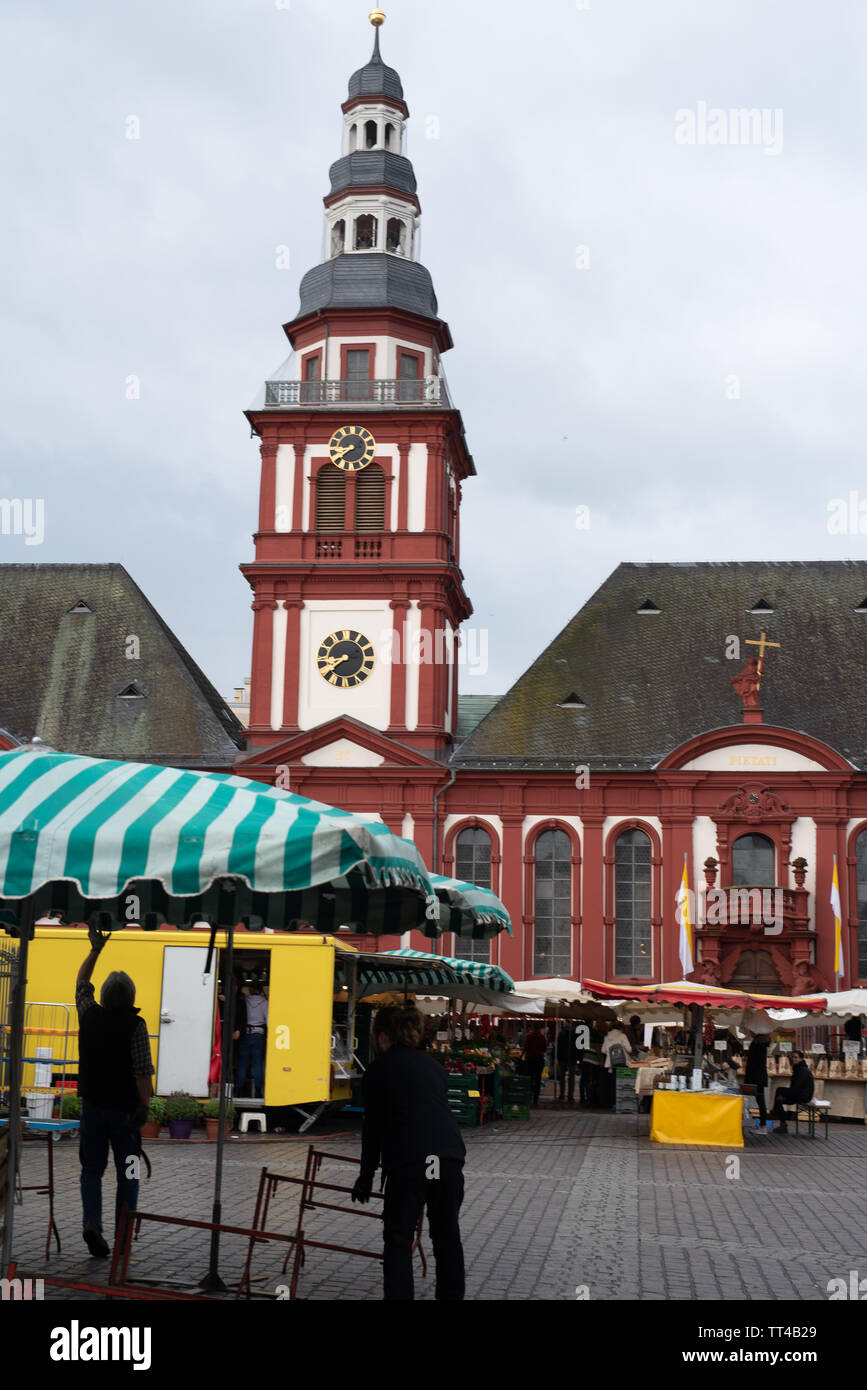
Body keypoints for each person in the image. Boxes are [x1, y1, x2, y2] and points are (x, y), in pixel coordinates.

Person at [351, 1006, 466, 1300]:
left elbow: (373, 1130)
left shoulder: (378, 1070)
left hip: (410, 1160)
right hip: (447, 1156)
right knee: (446, 1237)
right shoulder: (434, 1067)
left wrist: (365, 1177)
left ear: (383, 1036)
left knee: (399, 1240)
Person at [75, 923, 154, 1258]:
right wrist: (144, 1108)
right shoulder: (136, 1026)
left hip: (92, 1109)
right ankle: (123, 1236)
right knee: (130, 1173)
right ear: (131, 997)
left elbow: (81, 984)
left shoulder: (89, 1015)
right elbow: (141, 1072)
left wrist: (95, 950)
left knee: (91, 1171)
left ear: (104, 997)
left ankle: (92, 1222)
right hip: (125, 1115)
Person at [770, 1049, 814, 1133]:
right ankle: (782, 1123)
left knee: (779, 1091)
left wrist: (785, 1094)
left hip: (803, 1096)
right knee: (779, 1098)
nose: (794, 1059)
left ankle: (776, 1114)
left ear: (801, 1058)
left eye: (796, 1057)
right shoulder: (798, 1068)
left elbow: (796, 1087)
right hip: (799, 1094)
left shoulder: (802, 1070)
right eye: (792, 1057)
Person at [237, 981, 268, 1098]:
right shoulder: (265, 1003)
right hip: (258, 1035)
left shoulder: (244, 1001)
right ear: (260, 991)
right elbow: (268, 1021)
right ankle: (258, 1091)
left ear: (249, 990)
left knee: (243, 1063)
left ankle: (239, 1090)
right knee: (257, 1063)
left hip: (245, 1033)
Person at [744, 1034, 770, 1130]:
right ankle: (762, 1124)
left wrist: (749, 1078)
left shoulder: (758, 1046)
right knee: (760, 1101)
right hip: (758, 1077)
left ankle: (763, 1125)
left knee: (760, 1100)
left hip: (756, 1078)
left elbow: (753, 1063)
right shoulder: (762, 1046)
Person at [522, 1022, 547, 1107]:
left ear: (533, 1028)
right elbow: (544, 1049)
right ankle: (536, 1099)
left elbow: (525, 1048)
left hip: (530, 1059)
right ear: (539, 1029)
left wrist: (522, 1055)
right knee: (538, 1079)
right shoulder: (542, 1037)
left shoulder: (529, 1037)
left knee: (530, 1078)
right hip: (539, 1059)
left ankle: (529, 1097)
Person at [556, 1023, 577, 1104]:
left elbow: (558, 1046)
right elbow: (576, 1046)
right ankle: (570, 1096)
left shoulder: (561, 1033)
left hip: (562, 1058)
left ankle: (561, 1094)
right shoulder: (575, 1033)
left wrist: (558, 1057)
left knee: (562, 1076)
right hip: (572, 1057)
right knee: (571, 1077)